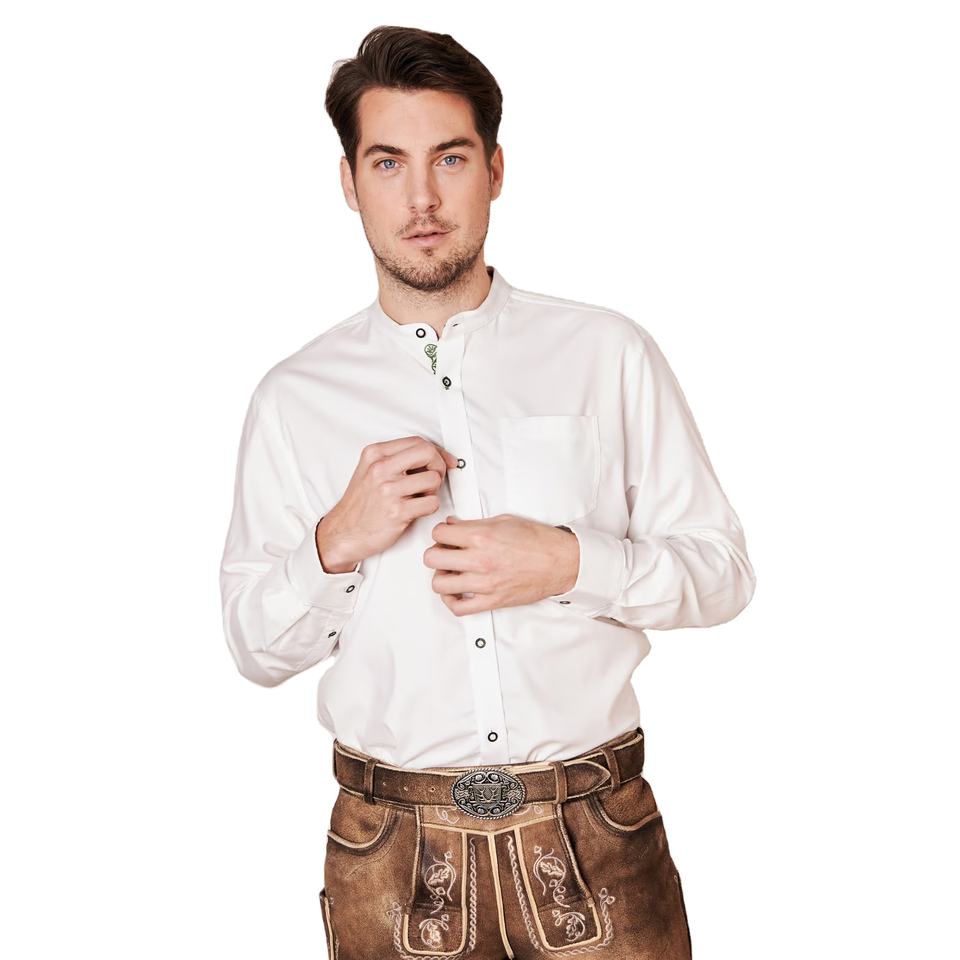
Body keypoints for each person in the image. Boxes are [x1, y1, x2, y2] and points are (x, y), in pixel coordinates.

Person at [218, 24, 756, 960]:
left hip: (597, 839)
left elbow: (722, 574)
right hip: (392, 861)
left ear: (495, 170)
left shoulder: (605, 353)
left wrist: (570, 562)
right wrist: (335, 542)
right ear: (349, 182)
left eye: (450, 158)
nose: (422, 198)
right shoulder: (295, 398)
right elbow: (255, 649)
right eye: (388, 163)